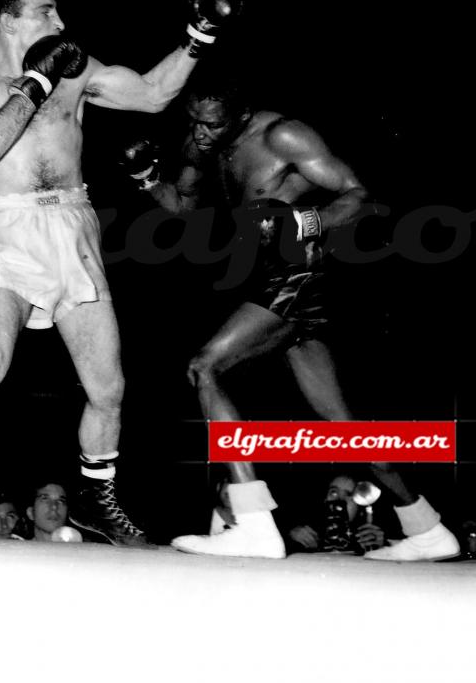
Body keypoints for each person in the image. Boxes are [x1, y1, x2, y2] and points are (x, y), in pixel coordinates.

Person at [0, 0, 233, 547]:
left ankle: (97, 500)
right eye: (46, 12)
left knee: (108, 385)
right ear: (9, 21)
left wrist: (199, 34)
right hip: (10, 229)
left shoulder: (77, 69)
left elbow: (153, 94)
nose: (61, 25)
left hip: (74, 227)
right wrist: (37, 82)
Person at [122, 81, 459, 561]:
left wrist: (306, 223)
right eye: (194, 121)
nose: (200, 132)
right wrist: (148, 177)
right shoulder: (201, 142)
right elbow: (183, 206)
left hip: (295, 271)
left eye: (212, 123)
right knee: (340, 423)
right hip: (262, 275)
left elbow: (357, 192)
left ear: (240, 115)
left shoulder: (283, 136)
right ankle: (426, 527)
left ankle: (255, 522)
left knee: (205, 367)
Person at [286, 473, 387, 554]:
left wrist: (382, 549)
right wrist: (290, 537)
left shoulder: (366, 538)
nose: (339, 500)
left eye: (348, 495)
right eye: (333, 492)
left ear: (359, 506)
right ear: (325, 499)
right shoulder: (308, 531)